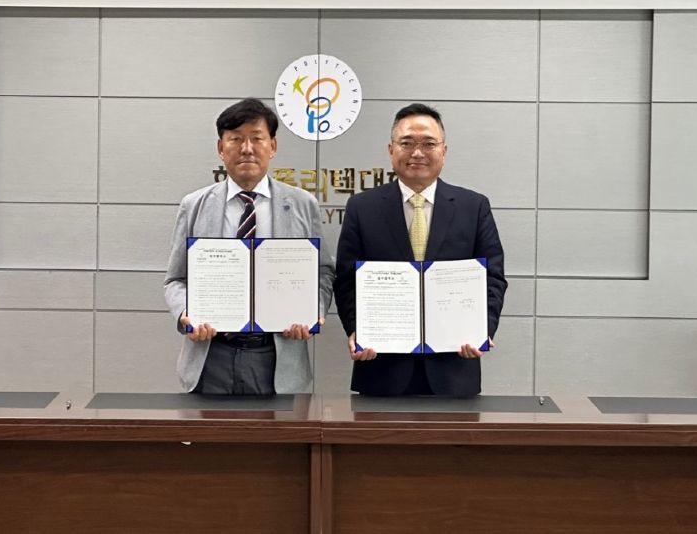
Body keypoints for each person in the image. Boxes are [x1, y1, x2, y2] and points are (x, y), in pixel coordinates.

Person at [333, 103, 507, 397]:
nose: (417, 153)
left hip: (454, 367)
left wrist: (482, 330)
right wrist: (356, 330)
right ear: (391, 150)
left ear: (444, 151)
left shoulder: (474, 206)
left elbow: (493, 277)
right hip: (381, 366)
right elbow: (347, 279)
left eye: (428, 144)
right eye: (407, 143)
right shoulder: (362, 207)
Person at [164, 98, 335, 395]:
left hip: (277, 356)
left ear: (273, 146)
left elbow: (323, 272)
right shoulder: (194, 205)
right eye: (236, 139)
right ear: (221, 148)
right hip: (211, 356)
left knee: (281, 428)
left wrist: (313, 311)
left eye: (257, 138)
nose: (247, 148)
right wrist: (185, 313)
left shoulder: (302, 204)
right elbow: (175, 279)